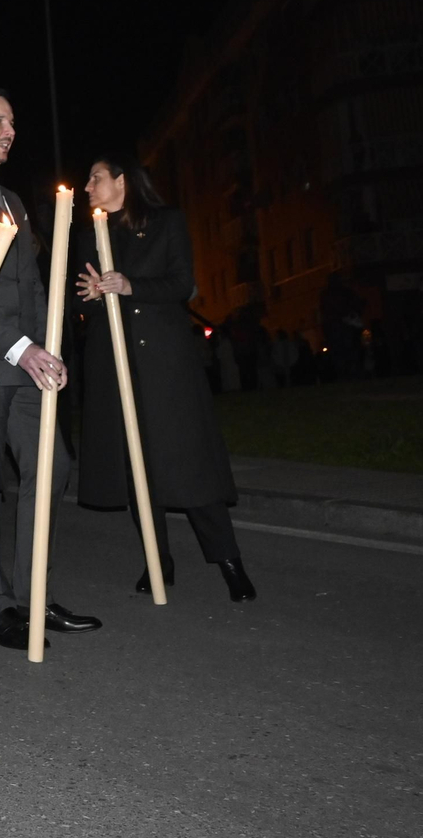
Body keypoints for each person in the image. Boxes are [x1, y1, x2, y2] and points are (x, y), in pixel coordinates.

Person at [0, 90, 101, 649]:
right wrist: (19, 346)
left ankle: (34, 594)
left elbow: (32, 284)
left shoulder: (11, 198)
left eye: (13, 120)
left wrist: (46, 345)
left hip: (28, 362)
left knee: (52, 467)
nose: (10, 129)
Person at [74, 155, 256, 602]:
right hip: (113, 363)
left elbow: (181, 283)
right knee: (137, 465)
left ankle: (228, 560)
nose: (87, 186)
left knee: (188, 460)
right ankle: (159, 562)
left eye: (95, 178)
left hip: (165, 361)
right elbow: (81, 298)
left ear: (122, 180)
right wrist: (94, 296)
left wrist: (131, 285)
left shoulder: (167, 222)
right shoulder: (89, 234)